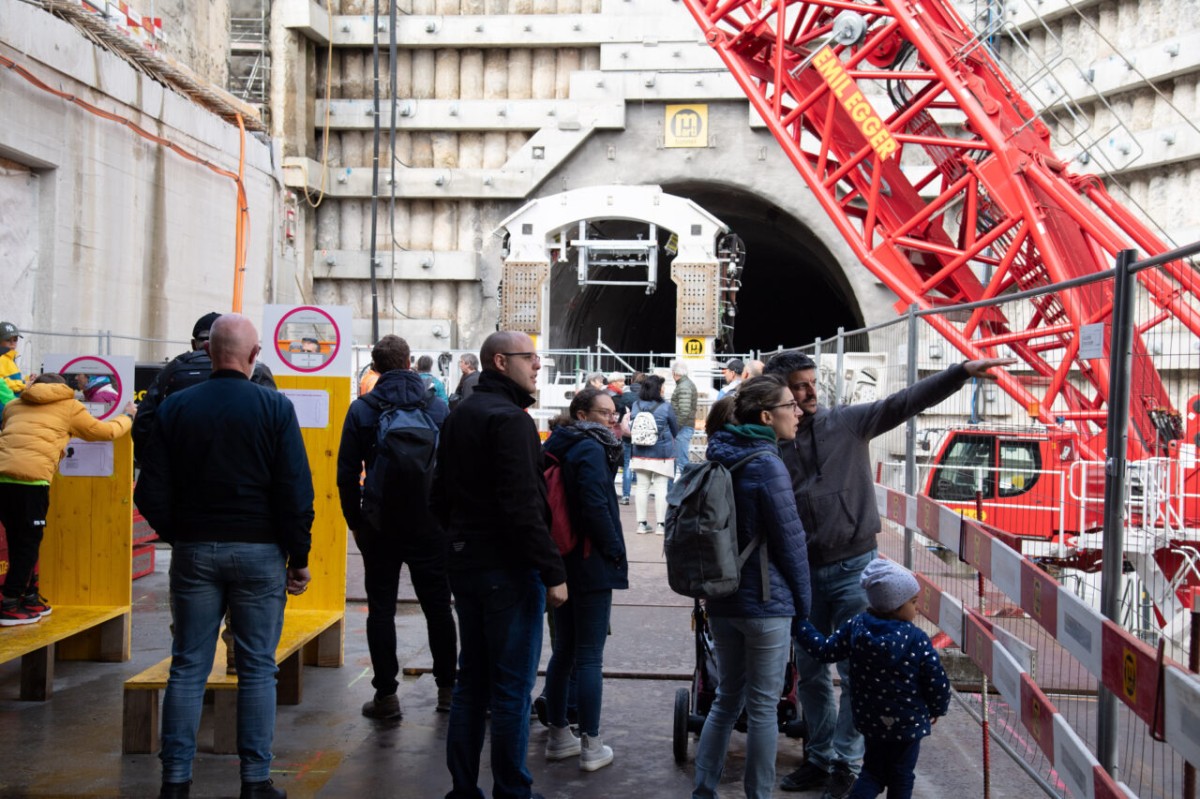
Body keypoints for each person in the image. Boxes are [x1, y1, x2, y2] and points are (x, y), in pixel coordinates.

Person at [764, 350, 1014, 797]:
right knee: (811, 669)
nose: (810, 393)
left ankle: (845, 762)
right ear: (780, 393)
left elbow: (904, 402)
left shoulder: (846, 424)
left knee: (855, 667)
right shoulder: (771, 441)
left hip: (854, 568)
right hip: (803, 572)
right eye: (799, 386)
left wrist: (958, 373)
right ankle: (818, 757)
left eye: (812, 382)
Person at [135, 314, 314, 799]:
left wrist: (181, 533)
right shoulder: (274, 407)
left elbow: (149, 489)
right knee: (257, 667)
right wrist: (298, 556)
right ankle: (254, 781)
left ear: (207, 352)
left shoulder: (176, 407)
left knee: (188, 665)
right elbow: (295, 489)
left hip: (195, 551)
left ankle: (175, 782)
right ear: (254, 356)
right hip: (259, 553)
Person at [433, 330, 568, 799]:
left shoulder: (459, 415)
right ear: (498, 361)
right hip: (508, 571)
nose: (536, 365)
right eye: (528, 357)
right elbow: (523, 506)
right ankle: (513, 790)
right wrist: (553, 571)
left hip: (466, 565)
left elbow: (438, 496)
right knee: (511, 689)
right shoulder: (510, 421)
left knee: (471, 681)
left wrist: (459, 541)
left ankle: (463, 789)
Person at [692, 375, 812, 799]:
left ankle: (703, 789)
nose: (797, 412)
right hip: (767, 601)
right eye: (789, 406)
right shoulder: (767, 463)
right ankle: (758, 794)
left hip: (722, 598)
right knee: (763, 708)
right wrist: (803, 604)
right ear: (766, 416)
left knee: (725, 699)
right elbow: (791, 542)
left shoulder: (719, 455)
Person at [337, 335, 457, 719]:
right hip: (430, 523)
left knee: (382, 609)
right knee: (438, 607)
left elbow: (345, 474)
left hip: (380, 524)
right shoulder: (438, 407)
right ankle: (447, 691)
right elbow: (456, 470)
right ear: (409, 362)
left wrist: (355, 521)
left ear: (375, 368)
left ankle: (386, 696)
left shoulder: (362, 410)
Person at [794, 559, 950, 799]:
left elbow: (825, 651)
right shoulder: (917, 639)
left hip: (871, 720)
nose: (917, 609)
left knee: (872, 772)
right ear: (896, 605)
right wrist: (938, 707)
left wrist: (801, 626)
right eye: (913, 602)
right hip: (907, 724)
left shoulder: (856, 627)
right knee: (901, 776)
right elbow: (936, 679)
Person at [0, 374, 135, 626]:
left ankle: (28, 596)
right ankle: (9, 602)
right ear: (62, 387)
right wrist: (127, 417)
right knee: (28, 542)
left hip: (2, 478)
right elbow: (104, 432)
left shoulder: (13, 405)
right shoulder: (70, 406)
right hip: (31, 481)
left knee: (19, 539)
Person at [540, 387, 628, 772]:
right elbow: (594, 504)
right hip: (590, 561)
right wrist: (613, 549)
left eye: (614, 413)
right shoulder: (590, 449)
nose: (612, 420)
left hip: (562, 559)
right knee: (590, 656)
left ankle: (560, 736)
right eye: (604, 413)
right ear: (580, 414)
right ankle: (592, 744)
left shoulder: (558, 445)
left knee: (564, 652)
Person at [133, 311, 277, 456]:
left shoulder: (174, 368)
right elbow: (275, 429)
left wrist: (156, 465)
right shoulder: (257, 370)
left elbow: (143, 423)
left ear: (194, 344)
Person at [629, 374, 679, 535]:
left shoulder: (635, 405)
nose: (664, 389)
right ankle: (661, 525)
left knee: (642, 487)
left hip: (639, 452)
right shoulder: (666, 407)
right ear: (657, 389)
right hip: (661, 453)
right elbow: (675, 429)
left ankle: (641, 524)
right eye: (662, 386)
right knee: (661, 487)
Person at [670, 361, 697, 479]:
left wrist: (675, 428)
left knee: (682, 462)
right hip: (685, 426)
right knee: (680, 460)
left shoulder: (683, 386)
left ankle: (686, 492)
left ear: (675, 373)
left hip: (682, 427)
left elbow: (684, 411)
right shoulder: (685, 384)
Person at [0, 321, 32, 397]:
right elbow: (2, 383)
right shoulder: (2, 358)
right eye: (8, 340)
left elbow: (12, 380)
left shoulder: (9, 358)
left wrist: (27, 380)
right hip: (5, 406)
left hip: (11, 404)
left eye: (15, 340)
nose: (12, 343)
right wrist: (24, 384)